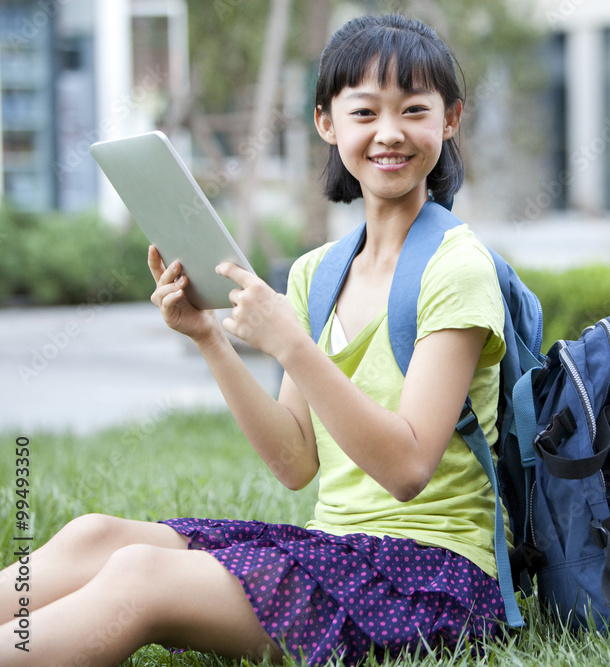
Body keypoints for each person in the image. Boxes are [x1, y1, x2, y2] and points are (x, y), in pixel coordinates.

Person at [0, 14, 510, 666]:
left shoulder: (457, 267)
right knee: (94, 536)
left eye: (414, 109)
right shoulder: (316, 273)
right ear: (327, 123)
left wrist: (292, 344)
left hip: (432, 579)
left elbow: (408, 469)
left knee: (140, 577)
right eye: (364, 111)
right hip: (337, 553)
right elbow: (296, 461)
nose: (389, 133)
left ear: (450, 119)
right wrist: (211, 338)